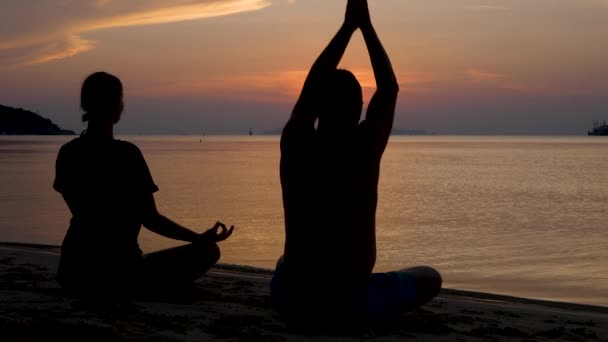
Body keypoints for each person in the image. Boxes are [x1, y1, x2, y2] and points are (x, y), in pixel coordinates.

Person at [272, 0, 442, 324]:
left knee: (285, 261)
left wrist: (347, 27)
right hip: (349, 303)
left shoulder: (296, 143)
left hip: (292, 298)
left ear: (318, 108)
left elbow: (311, 88)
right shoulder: (365, 148)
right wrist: (364, 25)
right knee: (430, 277)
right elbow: (389, 88)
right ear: (359, 108)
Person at [53, 71, 234, 295]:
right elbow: (151, 218)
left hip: (73, 270)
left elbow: (83, 212)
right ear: (116, 106)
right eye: (121, 100)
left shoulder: (68, 152)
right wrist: (198, 238)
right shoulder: (127, 154)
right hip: (121, 269)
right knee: (209, 251)